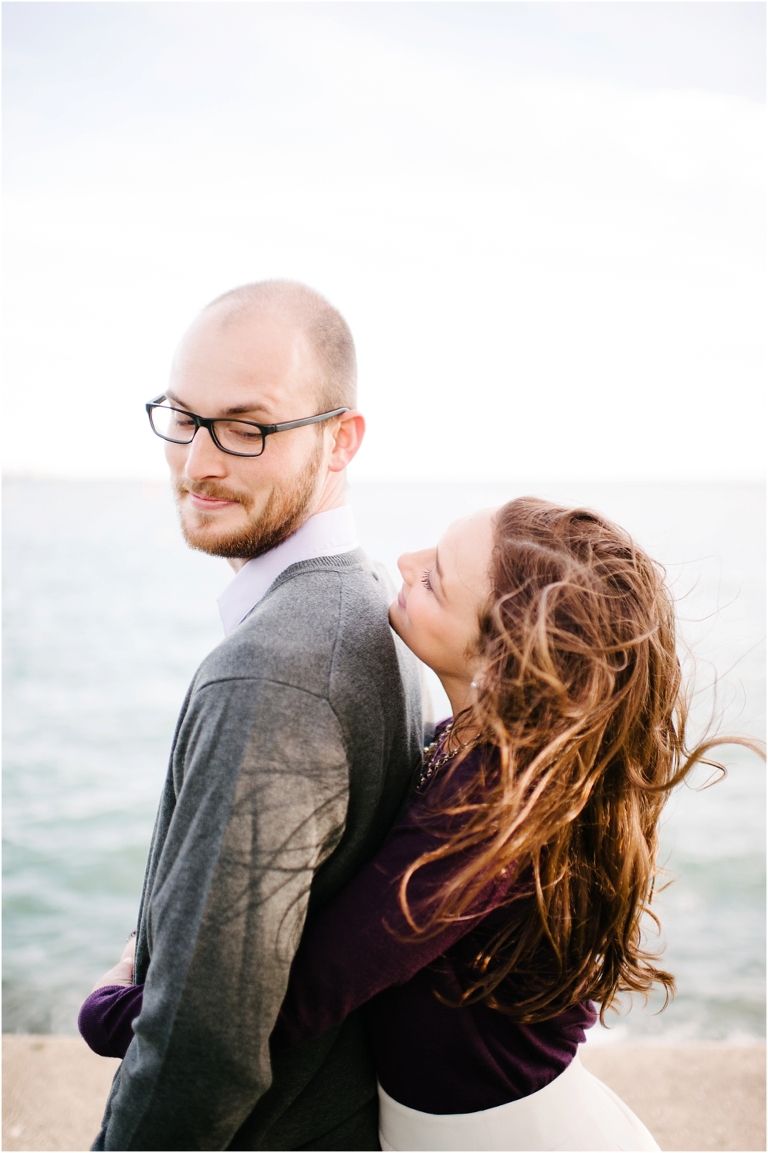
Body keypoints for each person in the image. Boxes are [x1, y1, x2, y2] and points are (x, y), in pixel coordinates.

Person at [83, 496, 763, 1150]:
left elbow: (291, 1004)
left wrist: (114, 1003)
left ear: (502, 663)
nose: (403, 562)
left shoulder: (488, 822)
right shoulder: (475, 748)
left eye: (435, 578)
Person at [86, 279, 425, 1151]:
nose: (199, 462)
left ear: (341, 440)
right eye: (183, 417)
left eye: (247, 427)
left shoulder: (272, 676)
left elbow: (204, 1051)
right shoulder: (373, 605)